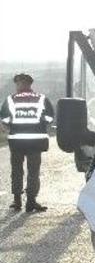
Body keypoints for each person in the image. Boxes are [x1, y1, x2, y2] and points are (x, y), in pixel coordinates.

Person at [1, 73, 54, 213]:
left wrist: (13, 125)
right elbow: (49, 117)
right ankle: (31, 201)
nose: (19, 86)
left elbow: (5, 120)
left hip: (17, 141)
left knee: (17, 171)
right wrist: (39, 123)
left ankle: (17, 201)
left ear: (18, 85)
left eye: (18, 83)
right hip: (35, 142)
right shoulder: (41, 99)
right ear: (30, 85)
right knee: (33, 172)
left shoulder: (10, 100)